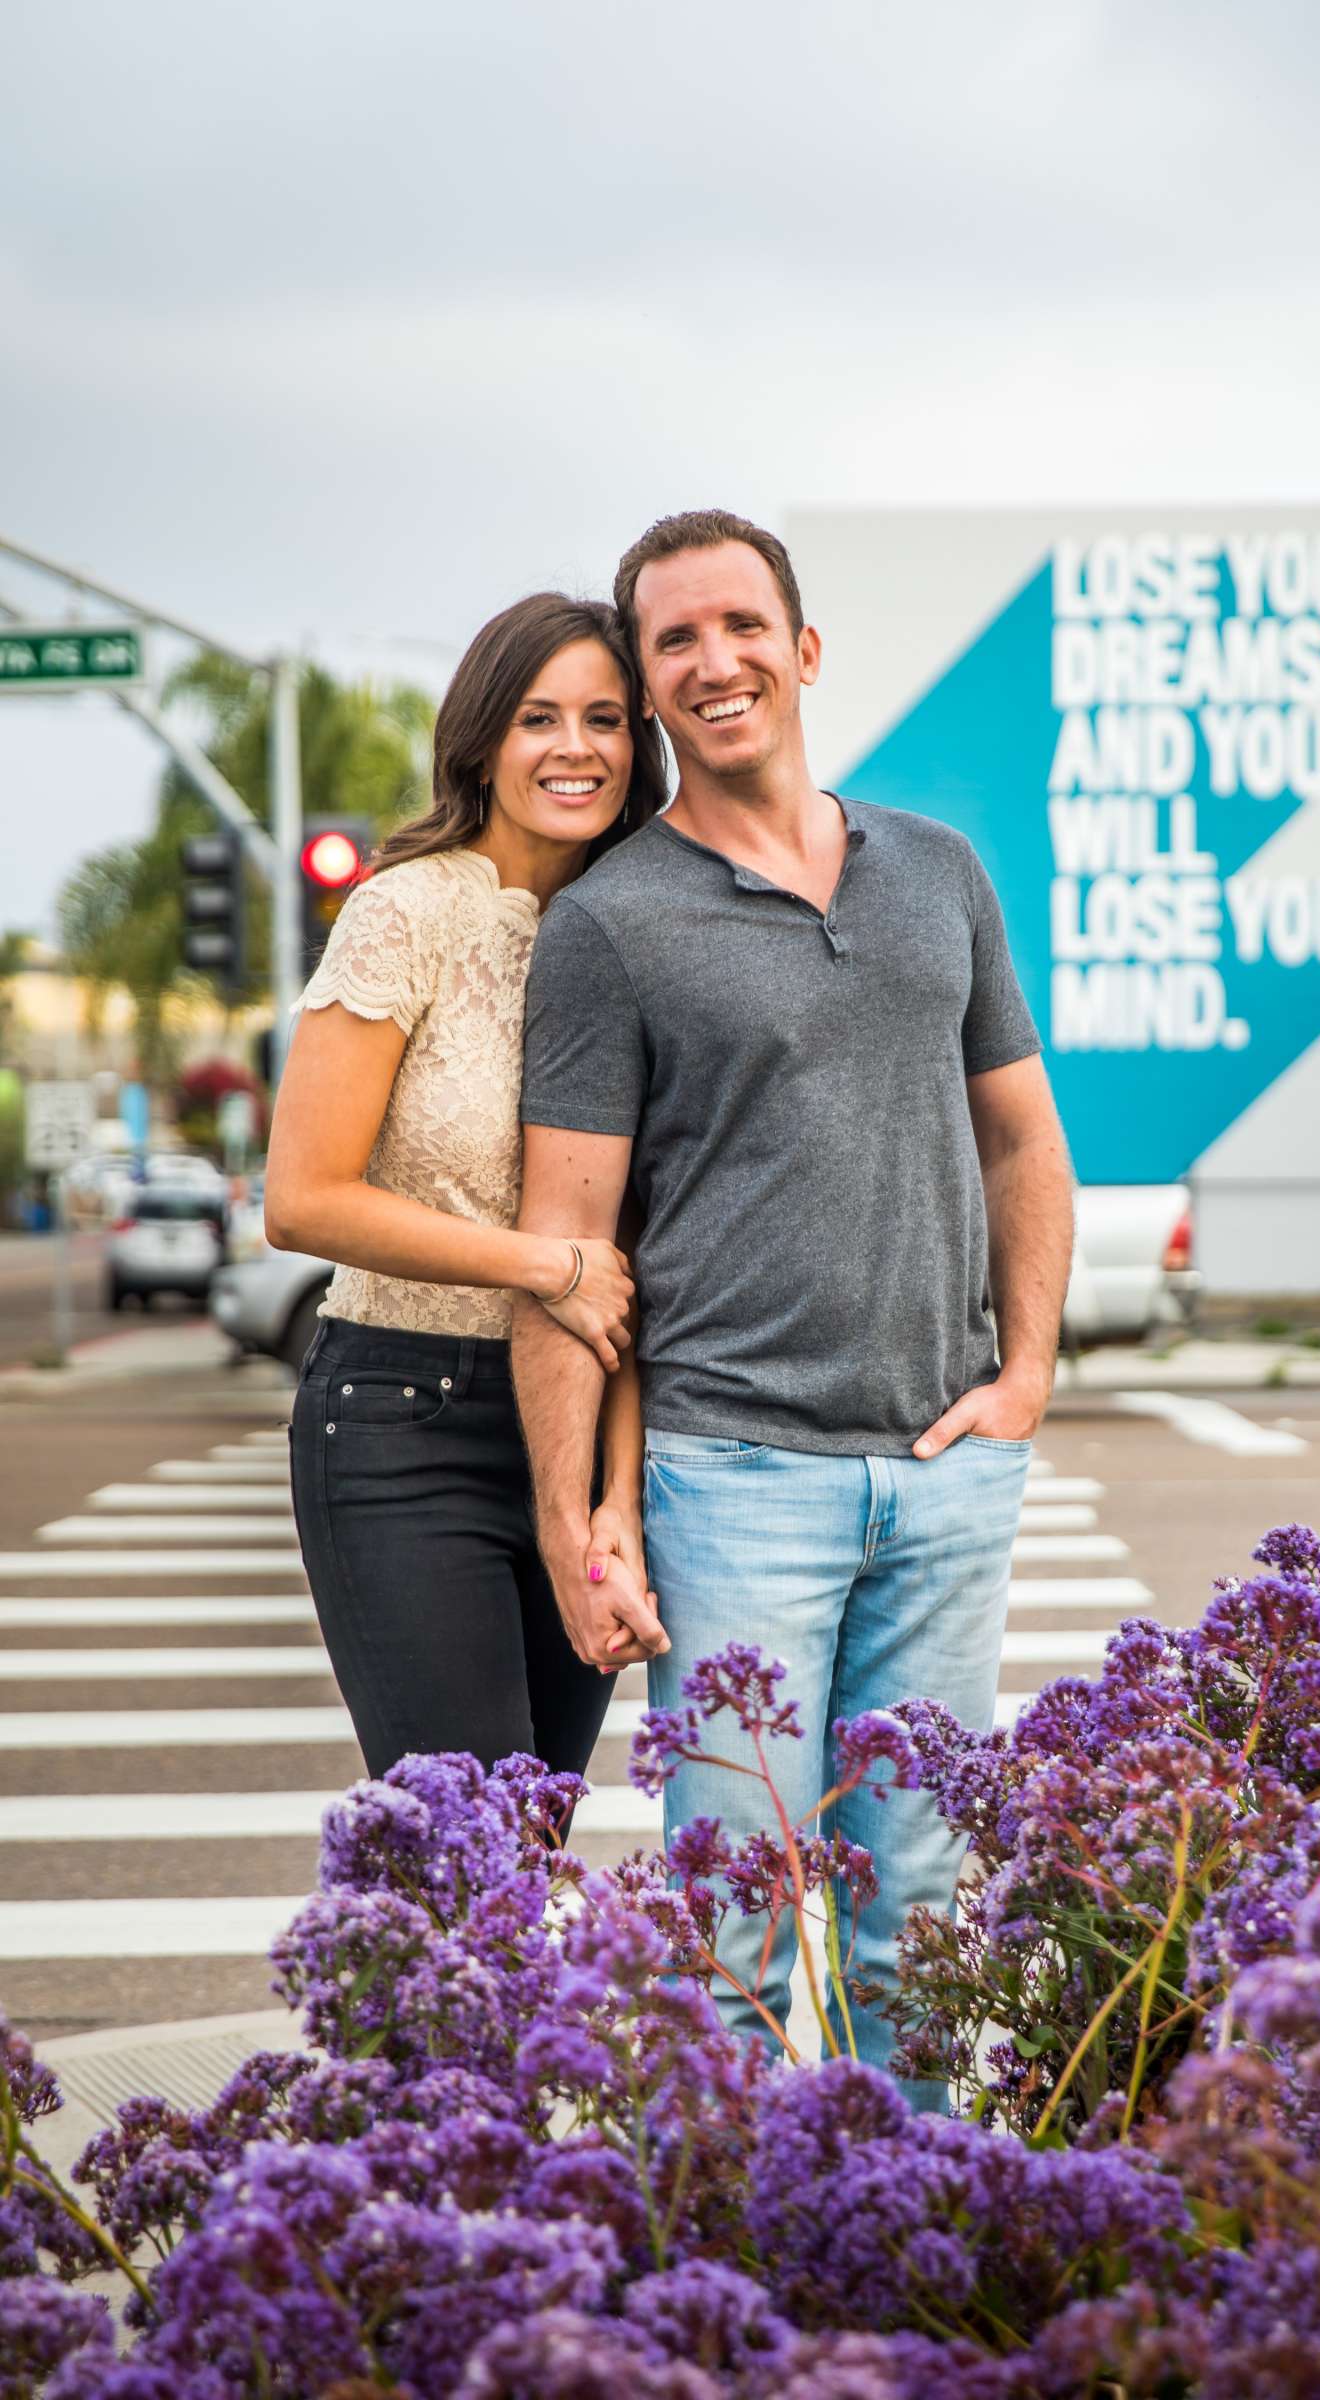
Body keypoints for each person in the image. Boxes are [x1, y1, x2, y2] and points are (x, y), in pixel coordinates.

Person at [512, 511, 1075, 2101]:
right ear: (648, 681)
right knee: (735, 1932)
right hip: (730, 1480)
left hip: (949, 1471)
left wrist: (1025, 1374)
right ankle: (743, 2281)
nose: (713, 661)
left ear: (803, 648)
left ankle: (927, 2264)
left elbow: (1023, 1135)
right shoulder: (610, 925)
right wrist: (576, 1520)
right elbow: (566, 1244)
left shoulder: (937, 872)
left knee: (923, 1916)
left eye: (740, 625)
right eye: (672, 640)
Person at [266, 594, 672, 1786]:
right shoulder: (407, 911)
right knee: (466, 1844)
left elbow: (644, 1250)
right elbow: (301, 1200)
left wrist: (616, 1491)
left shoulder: (645, 930)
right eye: (539, 716)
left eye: (605, 718)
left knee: (533, 1837)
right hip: (401, 1422)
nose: (576, 747)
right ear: (483, 740)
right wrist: (544, 1264)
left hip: (583, 1418)